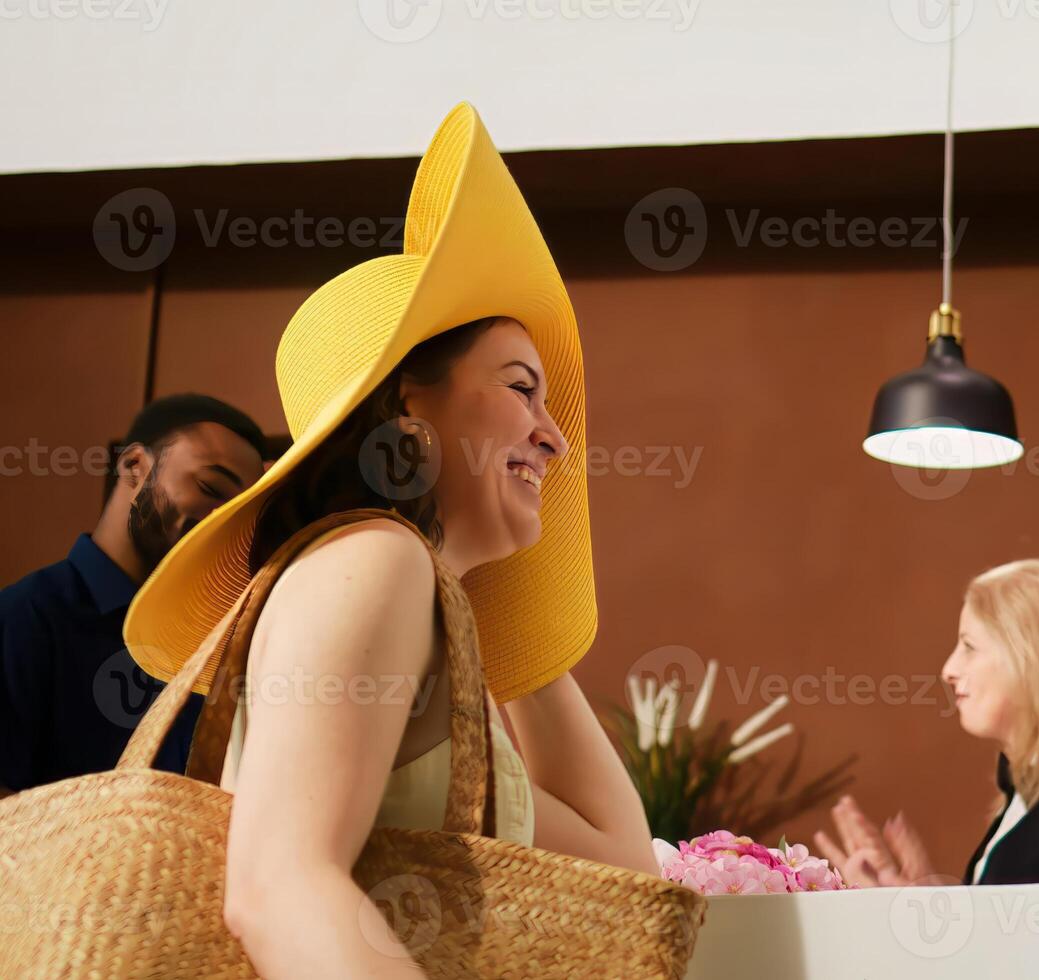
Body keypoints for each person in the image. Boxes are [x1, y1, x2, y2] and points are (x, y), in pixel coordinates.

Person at [120, 105, 653, 976]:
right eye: (522, 390)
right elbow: (278, 884)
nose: (556, 439)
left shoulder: (413, 597)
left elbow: (624, 873)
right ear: (410, 401)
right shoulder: (375, 559)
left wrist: (504, 604)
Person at [815, 559, 1039, 885]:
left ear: (1037, 661)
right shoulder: (1021, 803)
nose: (949, 670)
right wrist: (931, 904)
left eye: (969, 647)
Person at [0, 394, 269, 795]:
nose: (223, 522)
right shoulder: (27, 617)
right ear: (134, 466)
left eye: (239, 512)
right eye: (211, 487)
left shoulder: (213, 645)